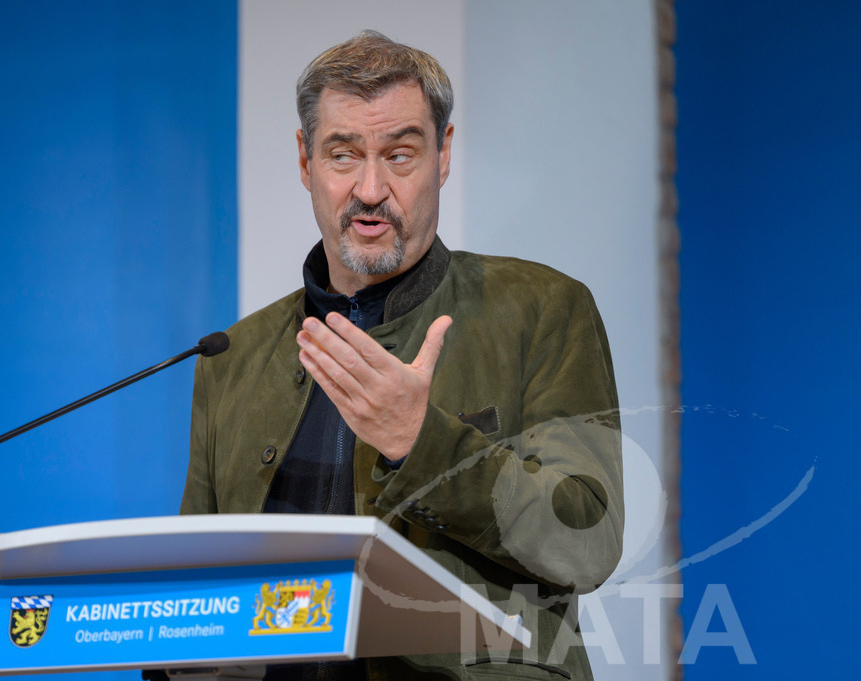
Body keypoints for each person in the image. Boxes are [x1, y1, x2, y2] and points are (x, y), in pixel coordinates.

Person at [181, 30, 623, 681]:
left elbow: (587, 540)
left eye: (400, 154)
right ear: (305, 161)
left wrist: (423, 443)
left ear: (443, 155)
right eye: (343, 154)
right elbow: (197, 599)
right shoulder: (232, 357)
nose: (370, 188)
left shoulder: (543, 310)